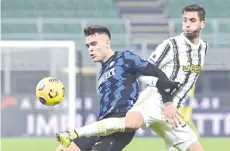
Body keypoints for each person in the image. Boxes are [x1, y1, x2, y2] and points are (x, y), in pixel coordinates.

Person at [56, 4, 208, 151]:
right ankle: (74, 133)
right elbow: (150, 73)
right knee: (129, 124)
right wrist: (167, 100)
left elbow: (165, 75)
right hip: (152, 102)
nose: (187, 24)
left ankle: (74, 133)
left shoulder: (203, 48)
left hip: (171, 110)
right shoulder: (171, 45)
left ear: (202, 24)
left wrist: (171, 103)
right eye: (184, 20)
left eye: (192, 20)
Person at [56, 24, 179, 151]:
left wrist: (167, 102)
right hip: (103, 124)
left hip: (121, 122)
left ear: (107, 43)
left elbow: (158, 74)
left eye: (94, 44)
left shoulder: (124, 58)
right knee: (65, 148)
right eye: (88, 46)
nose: (90, 49)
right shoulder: (102, 72)